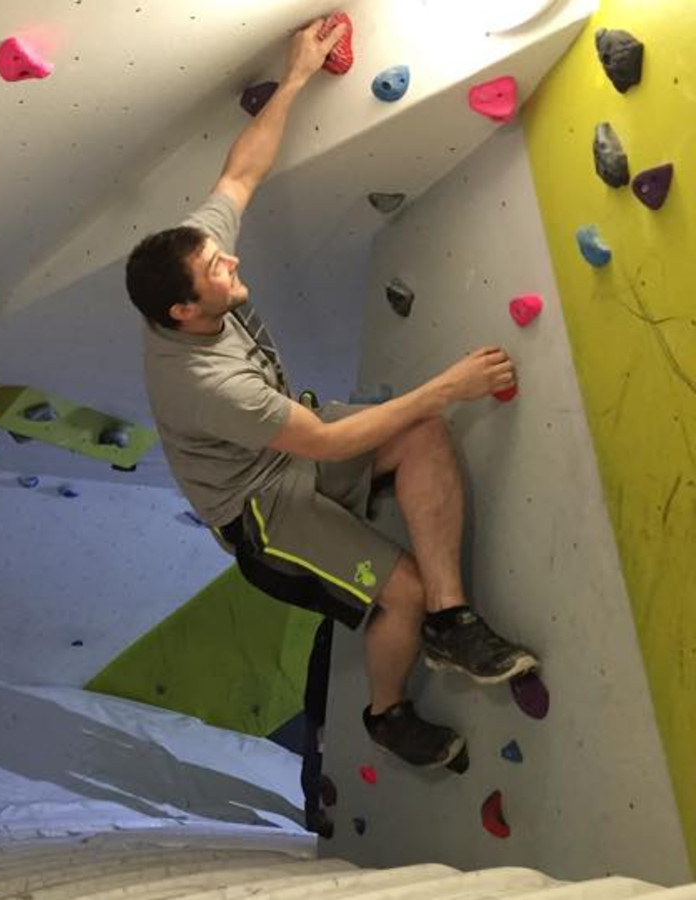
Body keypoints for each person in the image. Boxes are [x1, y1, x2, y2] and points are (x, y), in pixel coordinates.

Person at [124, 17, 539, 772]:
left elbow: (239, 175)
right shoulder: (207, 383)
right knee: (399, 593)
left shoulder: (188, 261)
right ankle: (387, 714)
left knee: (420, 435)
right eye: (217, 271)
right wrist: (446, 386)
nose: (231, 262)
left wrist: (296, 77)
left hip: (292, 438)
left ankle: (452, 621)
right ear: (184, 311)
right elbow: (324, 442)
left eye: (218, 254)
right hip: (260, 506)